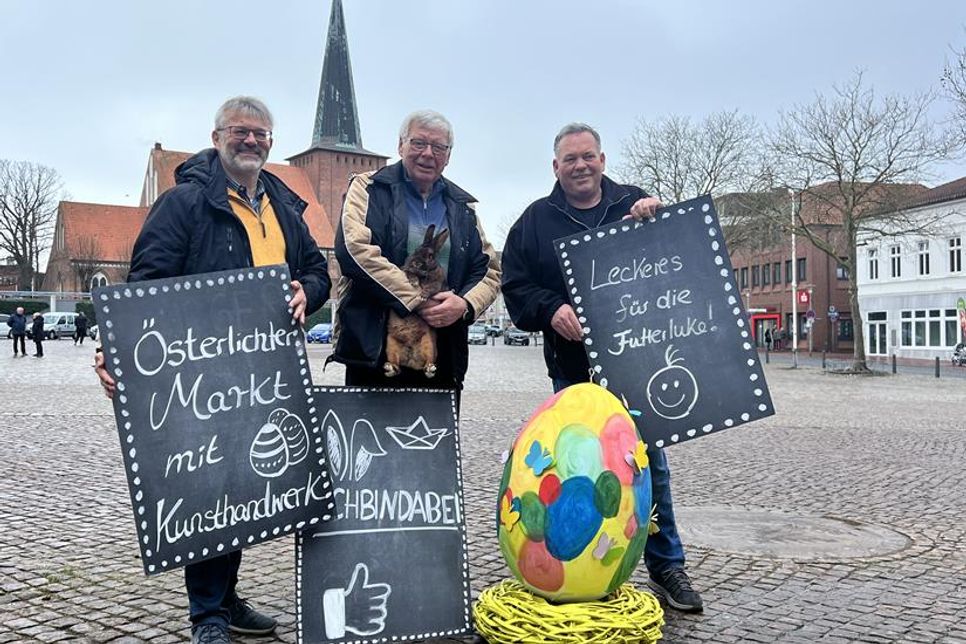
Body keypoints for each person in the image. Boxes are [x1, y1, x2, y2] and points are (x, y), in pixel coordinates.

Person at [94, 96, 331, 644]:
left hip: (264, 371)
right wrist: (117, 350)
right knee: (209, 486)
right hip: (201, 374)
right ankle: (208, 616)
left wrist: (306, 291)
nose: (251, 141)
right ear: (217, 135)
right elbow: (146, 284)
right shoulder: (183, 204)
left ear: (271, 142)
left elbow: (316, 270)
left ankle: (226, 599)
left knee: (247, 484)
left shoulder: (283, 206)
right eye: (240, 132)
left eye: (261, 134)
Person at [501, 122, 704, 613]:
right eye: (570, 159)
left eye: (588, 156)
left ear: (602, 160)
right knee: (576, 466)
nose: (580, 166)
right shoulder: (534, 222)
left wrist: (659, 215)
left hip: (638, 366)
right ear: (556, 167)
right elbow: (516, 289)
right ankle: (580, 565)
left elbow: (674, 261)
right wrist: (550, 309)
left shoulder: (633, 205)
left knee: (647, 464)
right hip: (571, 371)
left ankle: (667, 565)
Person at [330, 110, 500, 407]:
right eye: (418, 143)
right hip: (375, 352)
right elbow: (354, 249)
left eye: (438, 147)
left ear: (448, 156)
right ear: (401, 145)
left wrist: (464, 305)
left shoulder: (462, 207)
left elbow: (488, 271)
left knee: (435, 448)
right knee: (369, 446)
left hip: (441, 353)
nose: (427, 154)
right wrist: (417, 299)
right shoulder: (368, 188)